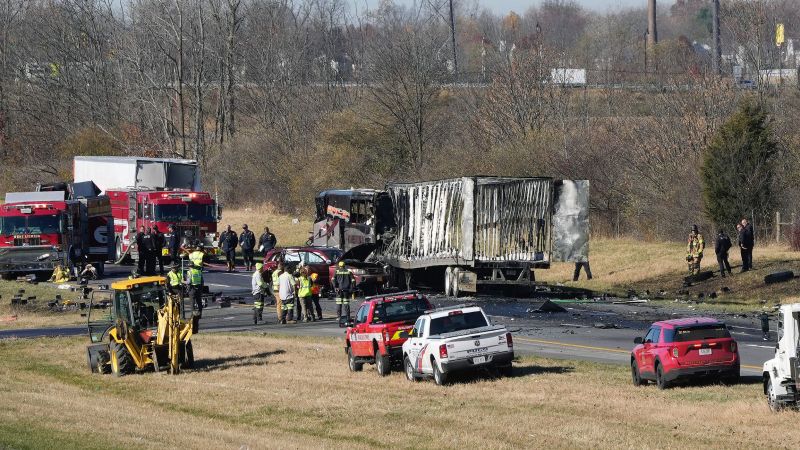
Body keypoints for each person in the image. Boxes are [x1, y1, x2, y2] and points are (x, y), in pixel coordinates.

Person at [333, 261, 355, 327]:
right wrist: (351, 289)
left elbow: (333, 280)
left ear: (339, 266)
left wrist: (335, 287)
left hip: (339, 290)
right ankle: (348, 317)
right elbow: (353, 281)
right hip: (346, 290)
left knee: (339, 304)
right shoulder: (348, 272)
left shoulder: (336, 272)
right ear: (344, 265)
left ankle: (339, 317)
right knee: (346, 304)